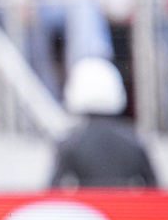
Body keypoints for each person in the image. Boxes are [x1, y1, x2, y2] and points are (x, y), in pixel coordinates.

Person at [50, 56, 157, 188]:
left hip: (88, 209)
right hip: (124, 208)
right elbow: (156, 193)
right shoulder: (135, 141)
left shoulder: (69, 144)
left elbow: (51, 196)